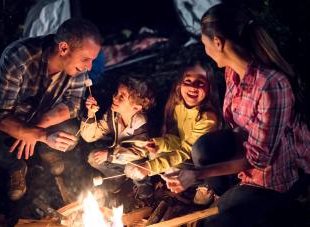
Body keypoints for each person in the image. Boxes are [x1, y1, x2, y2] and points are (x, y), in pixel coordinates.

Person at [162, 3, 310, 227]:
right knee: (203, 150)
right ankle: (232, 195)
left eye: (204, 44)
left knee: (216, 222)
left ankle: (286, 206)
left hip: (276, 176)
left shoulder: (272, 86)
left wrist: (197, 174)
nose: (205, 50)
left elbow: (258, 160)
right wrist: (198, 171)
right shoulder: (232, 72)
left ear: (218, 42)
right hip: (249, 159)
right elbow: (237, 129)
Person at [0, 18, 102, 201]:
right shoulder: (19, 55)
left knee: (70, 134)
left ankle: (46, 150)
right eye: (86, 59)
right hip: (13, 116)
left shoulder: (78, 69)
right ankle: (14, 166)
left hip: (42, 116)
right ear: (64, 48)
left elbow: (72, 105)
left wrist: (35, 129)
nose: (89, 67)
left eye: (92, 60)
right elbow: (0, 115)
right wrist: (42, 135)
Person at [124, 54, 223, 202]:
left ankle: (206, 184)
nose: (193, 86)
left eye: (200, 82)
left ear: (209, 87)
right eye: (188, 80)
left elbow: (185, 150)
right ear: (180, 84)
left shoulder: (207, 118)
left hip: (207, 161)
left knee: (164, 161)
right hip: (188, 154)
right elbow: (178, 139)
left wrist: (148, 168)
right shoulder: (179, 106)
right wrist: (160, 144)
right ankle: (185, 181)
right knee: (156, 154)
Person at [80, 75, 155, 199]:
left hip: (141, 163)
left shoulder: (141, 125)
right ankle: (118, 178)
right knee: (93, 158)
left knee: (133, 168)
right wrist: (91, 113)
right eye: (117, 93)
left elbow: (139, 153)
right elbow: (89, 136)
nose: (115, 97)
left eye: (122, 97)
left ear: (136, 108)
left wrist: (109, 155)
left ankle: (144, 185)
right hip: (120, 157)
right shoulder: (113, 114)